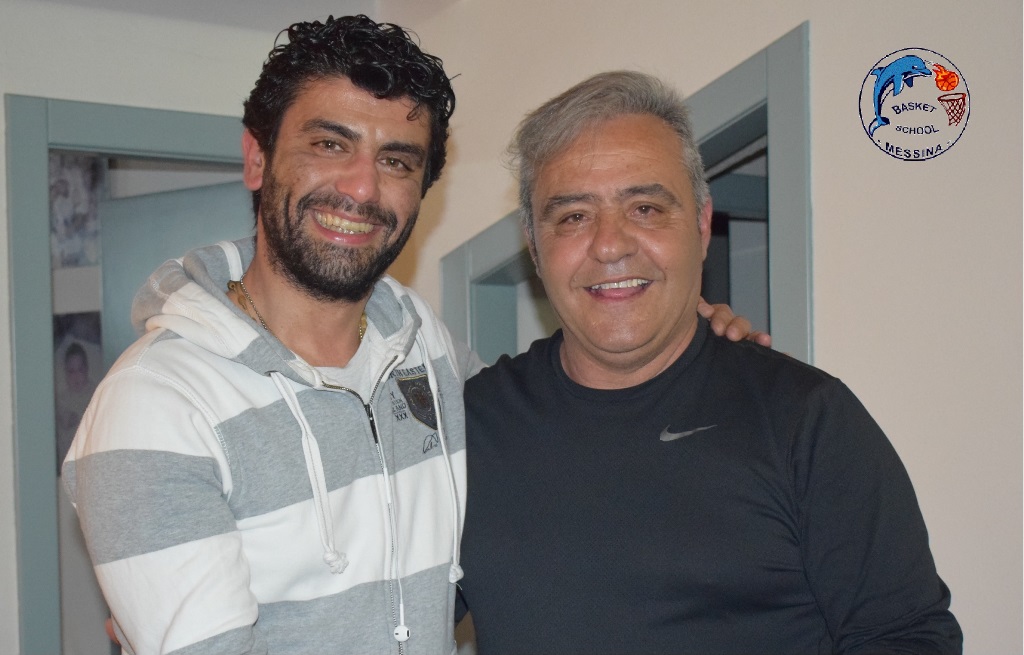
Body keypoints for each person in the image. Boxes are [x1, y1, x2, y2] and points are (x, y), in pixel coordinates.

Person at [456, 71, 963, 654]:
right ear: (533, 245)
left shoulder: (804, 419)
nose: (610, 244)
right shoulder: (469, 429)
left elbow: (906, 638)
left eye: (645, 207)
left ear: (701, 225)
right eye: (573, 216)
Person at [63, 15, 473, 655]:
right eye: (330, 144)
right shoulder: (154, 403)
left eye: (395, 161)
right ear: (257, 158)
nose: (361, 187)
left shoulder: (426, 346)